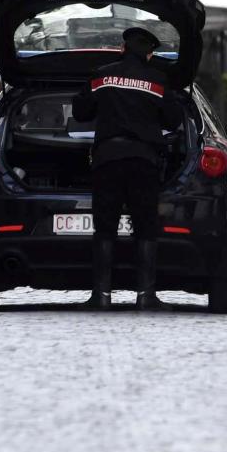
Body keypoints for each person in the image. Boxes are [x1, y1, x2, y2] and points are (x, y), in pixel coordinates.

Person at [72, 27, 184, 310]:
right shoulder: (158, 81)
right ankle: (145, 297)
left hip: (107, 159)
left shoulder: (102, 75)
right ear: (149, 54)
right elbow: (173, 121)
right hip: (143, 161)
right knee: (146, 227)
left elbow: (81, 112)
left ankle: (101, 297)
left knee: (105, 228)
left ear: (122, 49)